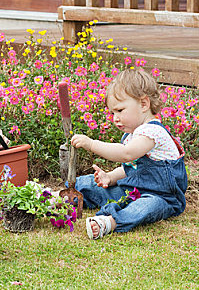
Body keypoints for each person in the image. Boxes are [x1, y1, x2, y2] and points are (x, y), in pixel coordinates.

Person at [70, 68, 187, 239]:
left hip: (162, 197)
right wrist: (110, 177)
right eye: (112, 113)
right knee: (96, 187)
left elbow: (127, 154)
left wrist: (91, 144)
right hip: (133, 190)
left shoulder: (153, 133)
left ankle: (109, 222)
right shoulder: (134, 134)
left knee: (144, 208)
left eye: (120, 110)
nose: (115, 118)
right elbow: (133, 167)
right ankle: (57, 197)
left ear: (143, 104)